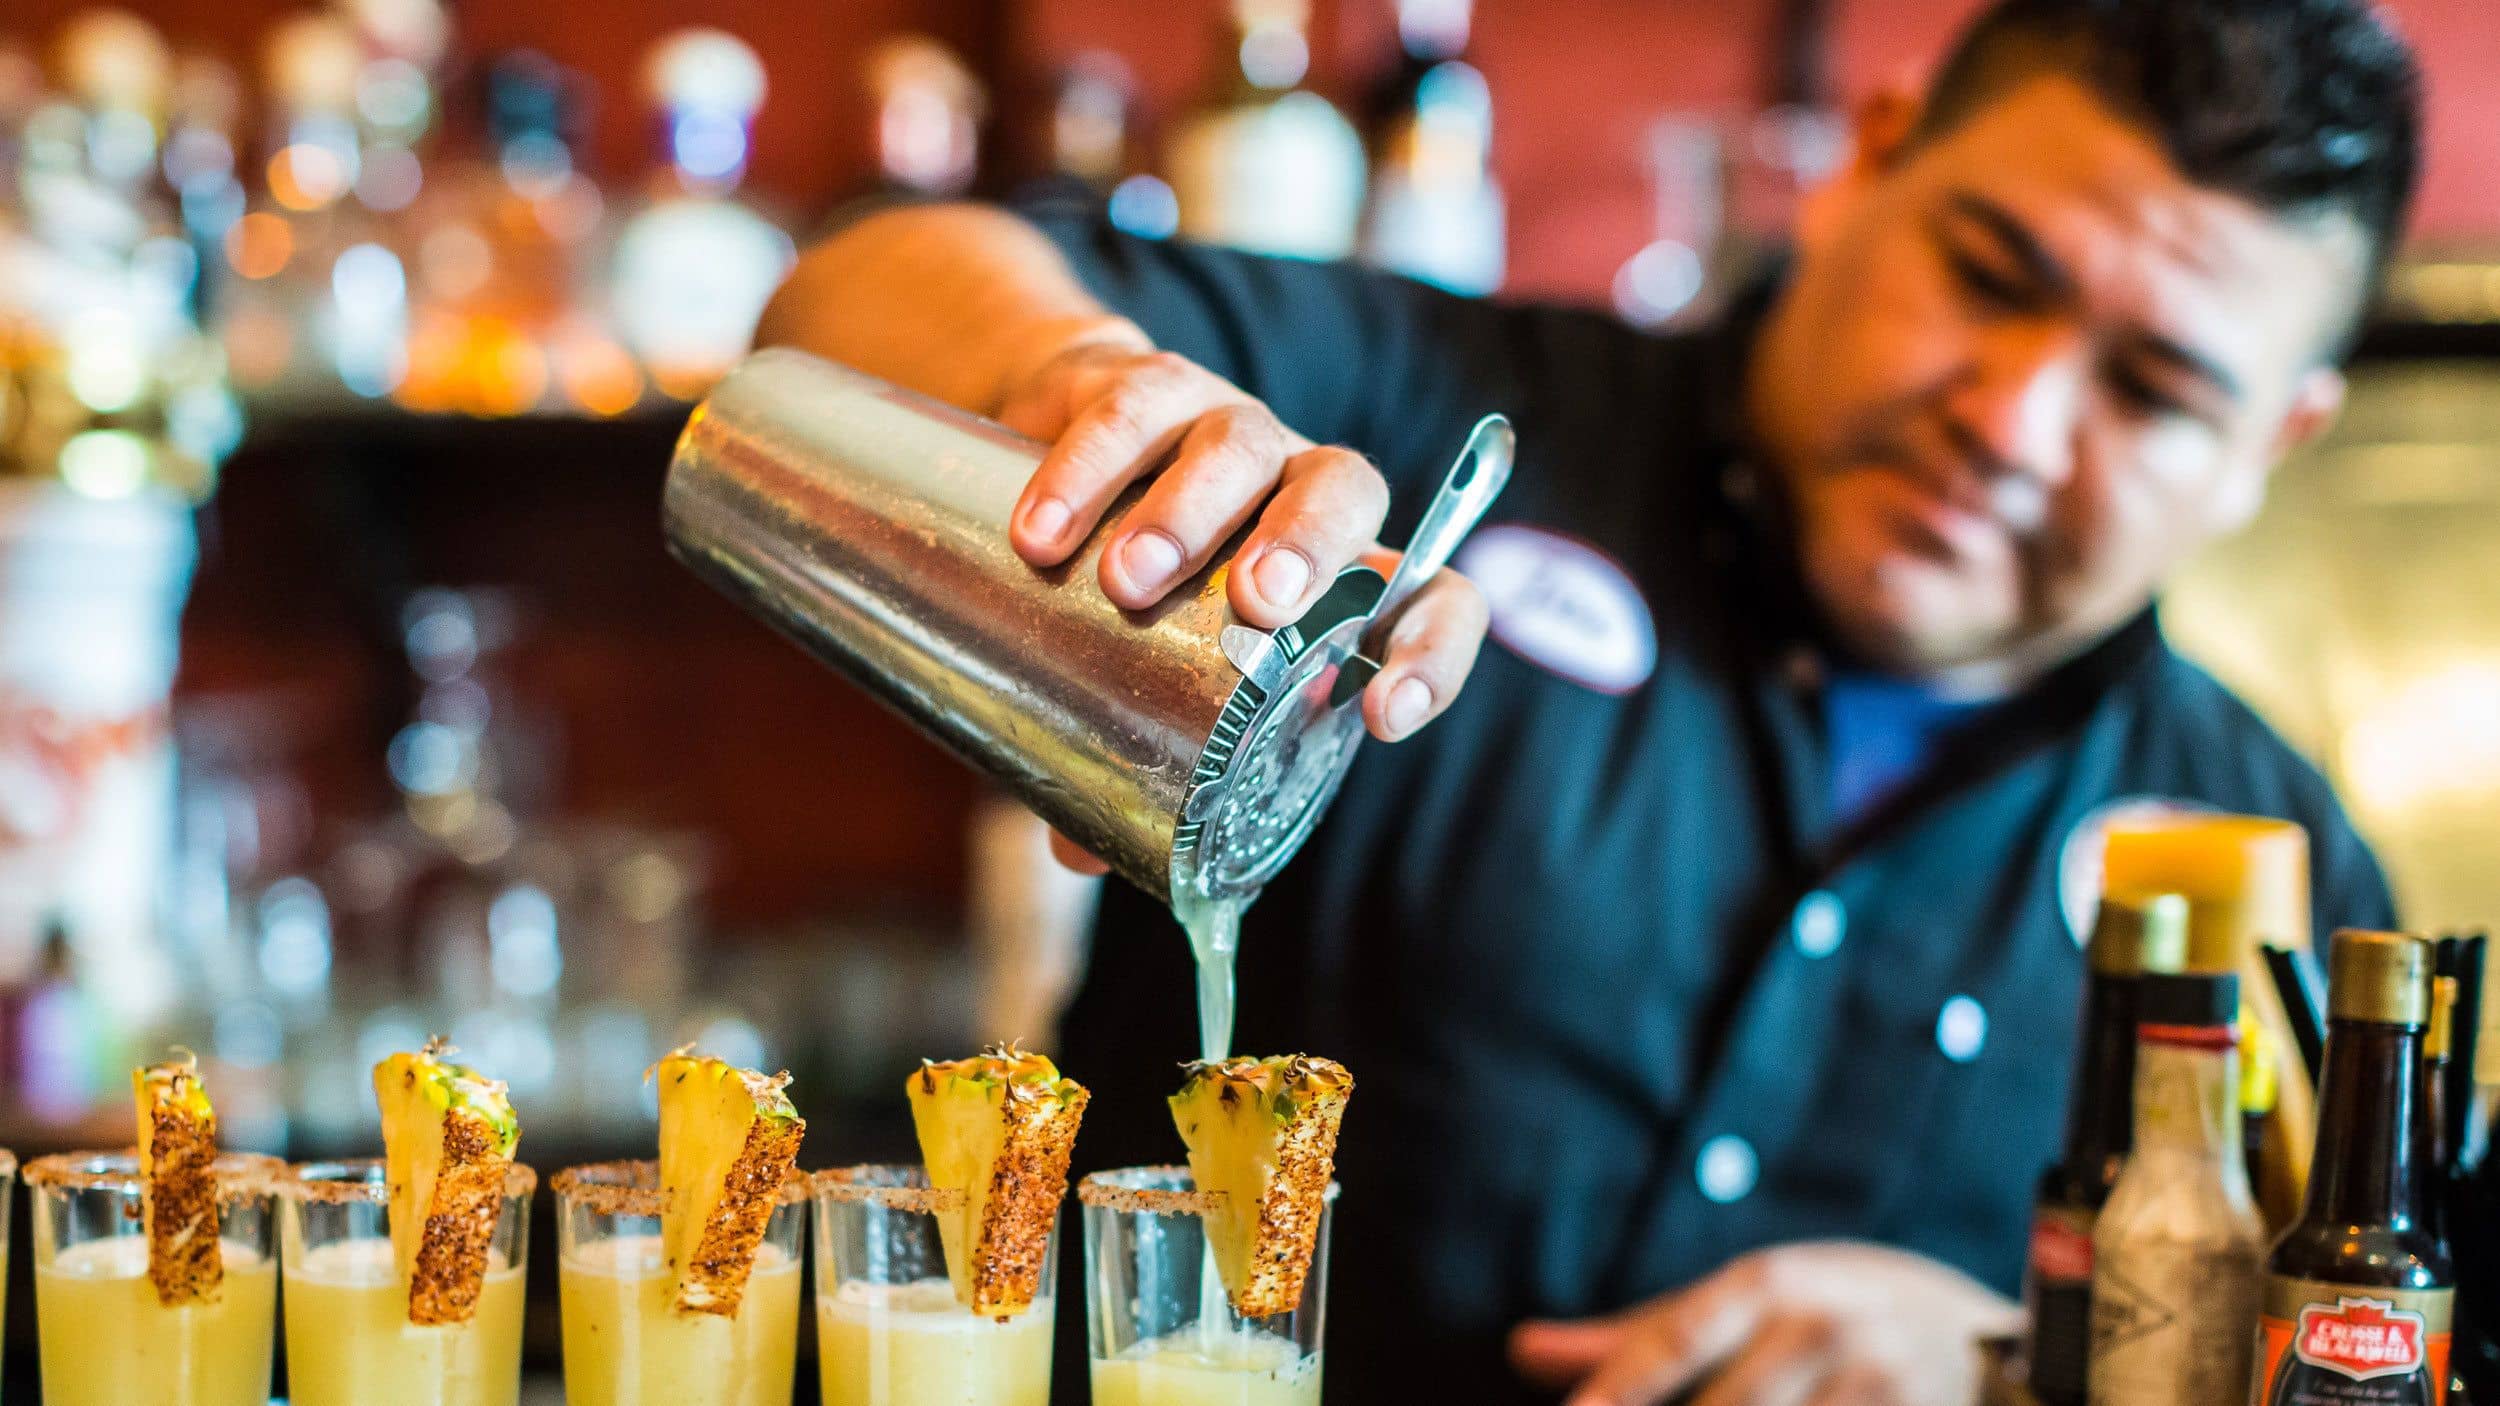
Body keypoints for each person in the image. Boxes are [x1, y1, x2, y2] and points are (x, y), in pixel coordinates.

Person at [755, 0, 2421, 1399]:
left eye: (2152, 389)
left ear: (2278, 439)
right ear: (1872, 158)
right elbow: (860, 297)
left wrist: (2012, 1362)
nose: (2017, 419)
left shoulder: (2273, 880)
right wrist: (1082, 390)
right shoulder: (1436, 417)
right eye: (1990, 274)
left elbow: (2361, 1343)